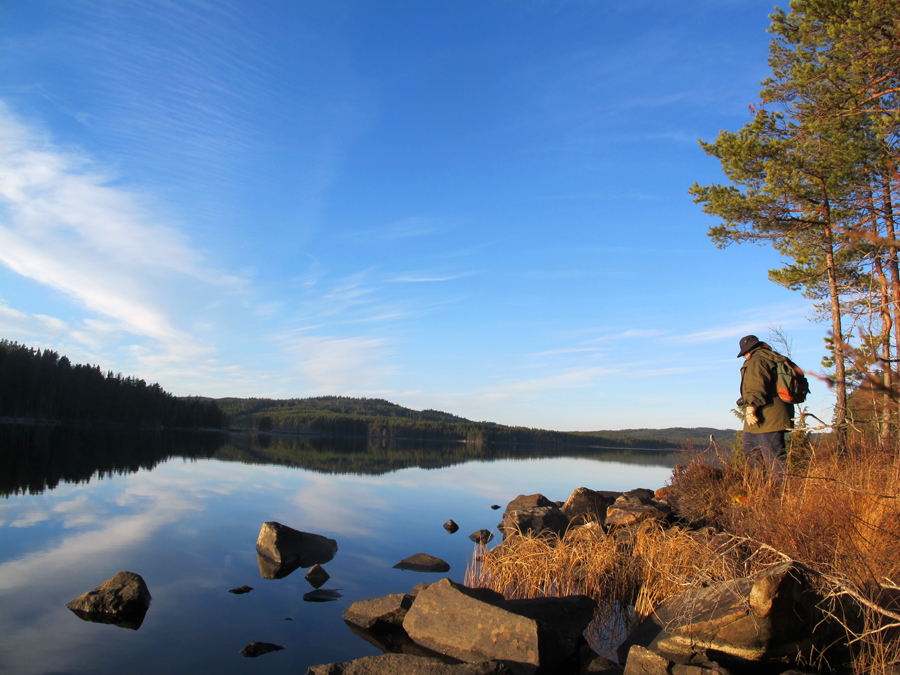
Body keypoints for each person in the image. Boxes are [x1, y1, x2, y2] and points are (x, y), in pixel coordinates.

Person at [736, 335, 794, 480]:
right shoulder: (773, 358)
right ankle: (759, 488)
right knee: (752, 447)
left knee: (774, 459)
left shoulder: (757, 361)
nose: (745, 357)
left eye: (744, 354)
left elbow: (756, 386)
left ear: (750, 351)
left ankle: (781, 490)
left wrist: (751, 408)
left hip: (767, 418)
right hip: (769, 417)